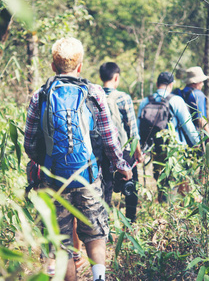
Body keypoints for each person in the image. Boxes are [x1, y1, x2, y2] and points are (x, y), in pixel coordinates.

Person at [24, 37, 132, 281]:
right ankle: (99, 277)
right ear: (80, 66)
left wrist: (44, 162)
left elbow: (29, 144)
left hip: (53, 182)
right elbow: (110, 139)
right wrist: (122, 167)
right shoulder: (94, 93)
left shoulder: (39, 96)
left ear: (53, 66)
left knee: (62, 248)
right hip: (89, 178)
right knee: (95, 235)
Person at [137, 71, 199, 202]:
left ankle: (163, 208)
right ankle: (171, 213)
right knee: (175, 181)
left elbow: (138, 127)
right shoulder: (176, 100)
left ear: (157, 84)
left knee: (160, 179)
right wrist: (198, 143)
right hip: (175, 149)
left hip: (155, 148)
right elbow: (188, 127)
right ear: (171, 84)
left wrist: (140, 149)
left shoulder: (145, 101)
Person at [99, 62, 144, 222]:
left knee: (105, 188)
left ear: (101, 77)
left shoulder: (95, 96)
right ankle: (130, 222)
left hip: (101, 151)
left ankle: (103, 224)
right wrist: (138, 153)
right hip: (123, 150)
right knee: (131, 186)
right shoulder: (123, 98)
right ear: (116, 77)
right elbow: (132, 130)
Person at [174, 66, 209, 137]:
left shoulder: (177, 93)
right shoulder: (198, 94)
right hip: (193, 137)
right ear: (195, 82)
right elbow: (201, 120)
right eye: (201, 81)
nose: (202, 84)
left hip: (177, 135)